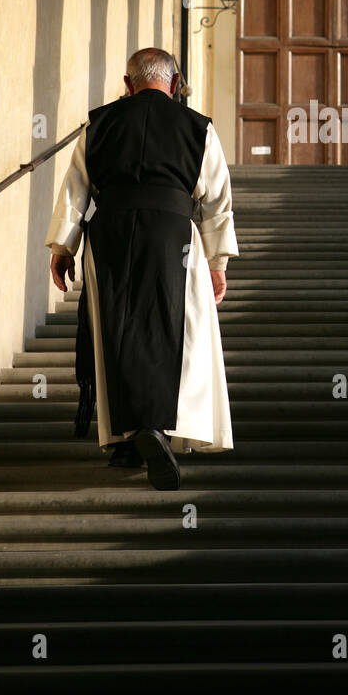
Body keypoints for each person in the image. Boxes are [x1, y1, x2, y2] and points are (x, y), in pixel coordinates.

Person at [44, 47, 238, 489]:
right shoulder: (198, 128)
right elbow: (216, 201)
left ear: (128, 84)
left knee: (117, 331)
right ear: (174, 84)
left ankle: (129, 438)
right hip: (173, 236)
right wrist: (217, 261)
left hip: (109, 233)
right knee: (175, 332)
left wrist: (63, 247)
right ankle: (157, 426)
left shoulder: (100, 123)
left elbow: (76, 190)